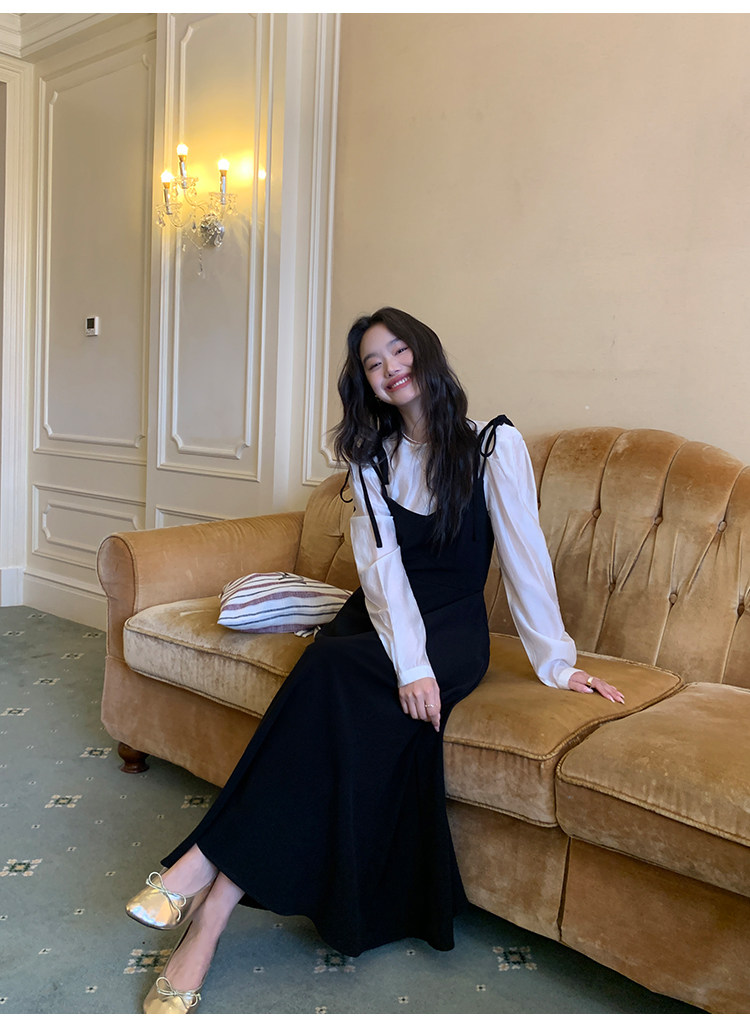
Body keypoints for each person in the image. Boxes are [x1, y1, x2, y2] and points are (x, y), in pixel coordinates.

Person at [125, 307, 624, 1014]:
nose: (390, 368)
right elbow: (383, 572)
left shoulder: (492, 446)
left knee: (324, 677)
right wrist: (404, 663)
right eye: (372, 362)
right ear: (365, 381)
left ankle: (201, 875)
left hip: (452, 633)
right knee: (325, 702)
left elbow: (525, 559)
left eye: (398, 351)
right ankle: (210, 913)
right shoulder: (371, 458)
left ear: (425, 351)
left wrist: (557, 663)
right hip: (381, 621)